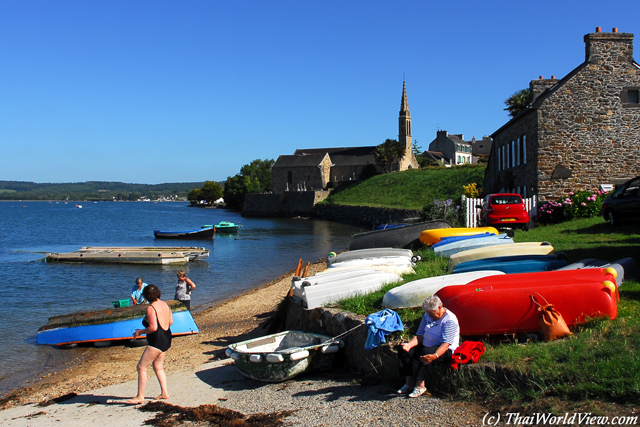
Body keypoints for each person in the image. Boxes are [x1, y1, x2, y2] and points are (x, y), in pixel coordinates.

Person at [396, 295, 460, 398]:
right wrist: (409, 345)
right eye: (428, 314)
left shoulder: (449, 320)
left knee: (426, 353)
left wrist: (435, 356)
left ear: (439, 307)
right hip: (426, 343)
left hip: (443, 349)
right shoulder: (427, 316)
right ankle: (409, 382)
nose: (430, 316)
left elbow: (446, 343)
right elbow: (420, 334)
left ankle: (420, 385)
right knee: (403, 350)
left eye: (432, 314)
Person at [126, 284, 173, 404]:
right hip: (166, 338)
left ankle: (140, 396)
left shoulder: (151, 308)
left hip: (156, 341)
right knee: (158, 367)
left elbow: (153, 327)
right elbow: (171, 321)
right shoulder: (165, 304)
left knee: (141, 367)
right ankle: (164, 393)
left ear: (146, 296)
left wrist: (140, 332)